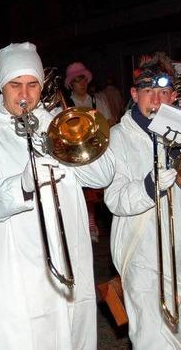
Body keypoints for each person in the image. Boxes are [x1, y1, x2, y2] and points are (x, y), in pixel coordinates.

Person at [0, 42, 115, 349]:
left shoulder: (59, 126)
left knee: (75, 336)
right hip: (18, 270)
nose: (25, 94)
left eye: (32, 85)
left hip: (71, 263)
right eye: (15, 85)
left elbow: (101, 176)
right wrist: (22, 184)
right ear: (1, 87)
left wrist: (85, 135)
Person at [103, 53, 181, 349]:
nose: (156, 99)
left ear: (173, 96)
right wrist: (151, 186)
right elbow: (114, 200)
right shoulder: (117, 138)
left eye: (163, 92)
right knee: (153, 336)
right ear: (134, 94)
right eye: (148, 92)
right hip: (141, 250)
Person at [64, 61, 112, 242]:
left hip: (96, 147)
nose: (82, 84)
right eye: (77, 80)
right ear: (71, 84)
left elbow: (109, 123)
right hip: (76, 151)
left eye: (83, 79)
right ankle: (86, 223)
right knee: (82, 190)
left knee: (98, 189)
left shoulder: (97, 100)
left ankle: (96, 221)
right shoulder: (66, 103)